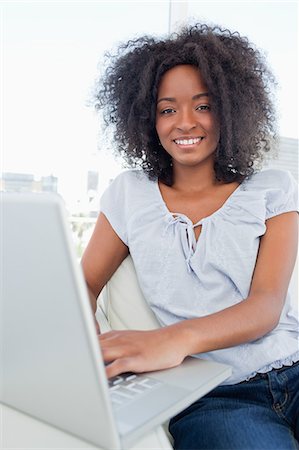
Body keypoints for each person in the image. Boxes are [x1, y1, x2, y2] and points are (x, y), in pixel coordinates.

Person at [81, 24, 299, 450]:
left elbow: (266, 305)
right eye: (167, 110)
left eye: (204, 106)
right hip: (213, 395)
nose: (185, 123)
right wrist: (84, 347)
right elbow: (83, 285)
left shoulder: (274, 188)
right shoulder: (128, 195)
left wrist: (170, 340)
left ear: (232, 110)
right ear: (146, 118)